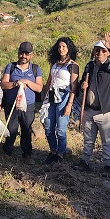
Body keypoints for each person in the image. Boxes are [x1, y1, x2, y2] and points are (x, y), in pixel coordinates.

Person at [75, 33, 110, 176]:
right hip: (89, 109)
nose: (99, 53)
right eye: (97, 50)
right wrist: (82, 86)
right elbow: (82, 84)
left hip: (106, 111)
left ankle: (107, 165)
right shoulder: (89, 66)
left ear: (107, 53)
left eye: (103, 50)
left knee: (106, 140)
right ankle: (85, 162)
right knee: (88, 139)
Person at [0, 42, 43, 165]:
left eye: (27, 53)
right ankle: (7, 151)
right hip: (11, 104)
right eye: (21, 53)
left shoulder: (36, 69)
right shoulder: (11, 67)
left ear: (31, 55)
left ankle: (27, 154)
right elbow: (3, 84)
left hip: (28, 105)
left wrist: (27, 82)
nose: (24, 56)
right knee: (11, 128)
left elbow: (39, 88)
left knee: (26, 129)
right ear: (18, 53)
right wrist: (16, 83)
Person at [41, 37, 79, 165]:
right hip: (51, 96)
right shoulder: (54, 63)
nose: (61, 49)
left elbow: (74, 87)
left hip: (64, 96)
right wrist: (44, 97)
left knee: (61, 129)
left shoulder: (73, 65)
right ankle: (52, 151)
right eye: (59, 47)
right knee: (48, 126)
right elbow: (49, 81)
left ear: (69, 48)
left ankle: (60, 153)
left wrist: (69, 104)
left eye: (64, 46)